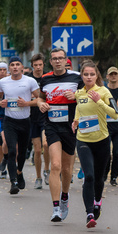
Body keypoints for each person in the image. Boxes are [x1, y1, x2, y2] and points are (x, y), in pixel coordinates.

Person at [38, 48, 82, 220]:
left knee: (66, 168)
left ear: (66, 61)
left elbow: (86, 96)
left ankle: (65, 196)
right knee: (55, 166)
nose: (57, 61)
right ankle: (56, 207)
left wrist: (76, 95)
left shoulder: (76, 77)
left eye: (60, 58)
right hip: (52, 126)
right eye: (54, 59)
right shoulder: (45, 79)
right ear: (50, 61)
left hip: (70, 126)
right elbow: (41, 97)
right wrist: (41, 103)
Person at [72, 60, 117, 227]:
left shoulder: (104, 91)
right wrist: (76, 121)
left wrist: (99, 101)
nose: (89, 77)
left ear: (97, 75)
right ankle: (89, 213)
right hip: (83, 140)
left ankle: (98, 200)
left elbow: (115, 114)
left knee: (99, 178)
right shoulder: (79, 93)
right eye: (86, 74)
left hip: (102, 141)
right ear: (82, 76)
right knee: (88, 176)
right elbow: (79, 108)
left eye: (92, 74)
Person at [0, 57, 40, 194]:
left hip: (25, 121)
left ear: (22, 67)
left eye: (17, 65)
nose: (15, 67)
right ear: (9, 68)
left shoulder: (29, 81)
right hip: (10, 121)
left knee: (22, 153)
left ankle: (19, 172)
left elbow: (39, 99)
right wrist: (0, 102)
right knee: (12, 151)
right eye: (12, 65)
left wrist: (27, 103)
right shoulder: (3, 82)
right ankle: (13, 181)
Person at [103, 66, 118, 187]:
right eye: (111, 74)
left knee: (117, 153)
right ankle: (105, 173)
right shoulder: (104, 90)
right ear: (107, 76)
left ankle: (114, 177)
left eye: (115, 74)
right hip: (105, 126)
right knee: (107, 152)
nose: (113, 76)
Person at [29, 53, 48, 189]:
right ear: (32, 66)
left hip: (46, 116)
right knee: (37, 150)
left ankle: (47, 170)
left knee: (46, 145)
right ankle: (38, 177)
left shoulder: (48, 78)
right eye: (35, 65)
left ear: (43, 65)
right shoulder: (27, 79)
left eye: (40, 65)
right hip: (32, 117)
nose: (38, 68)